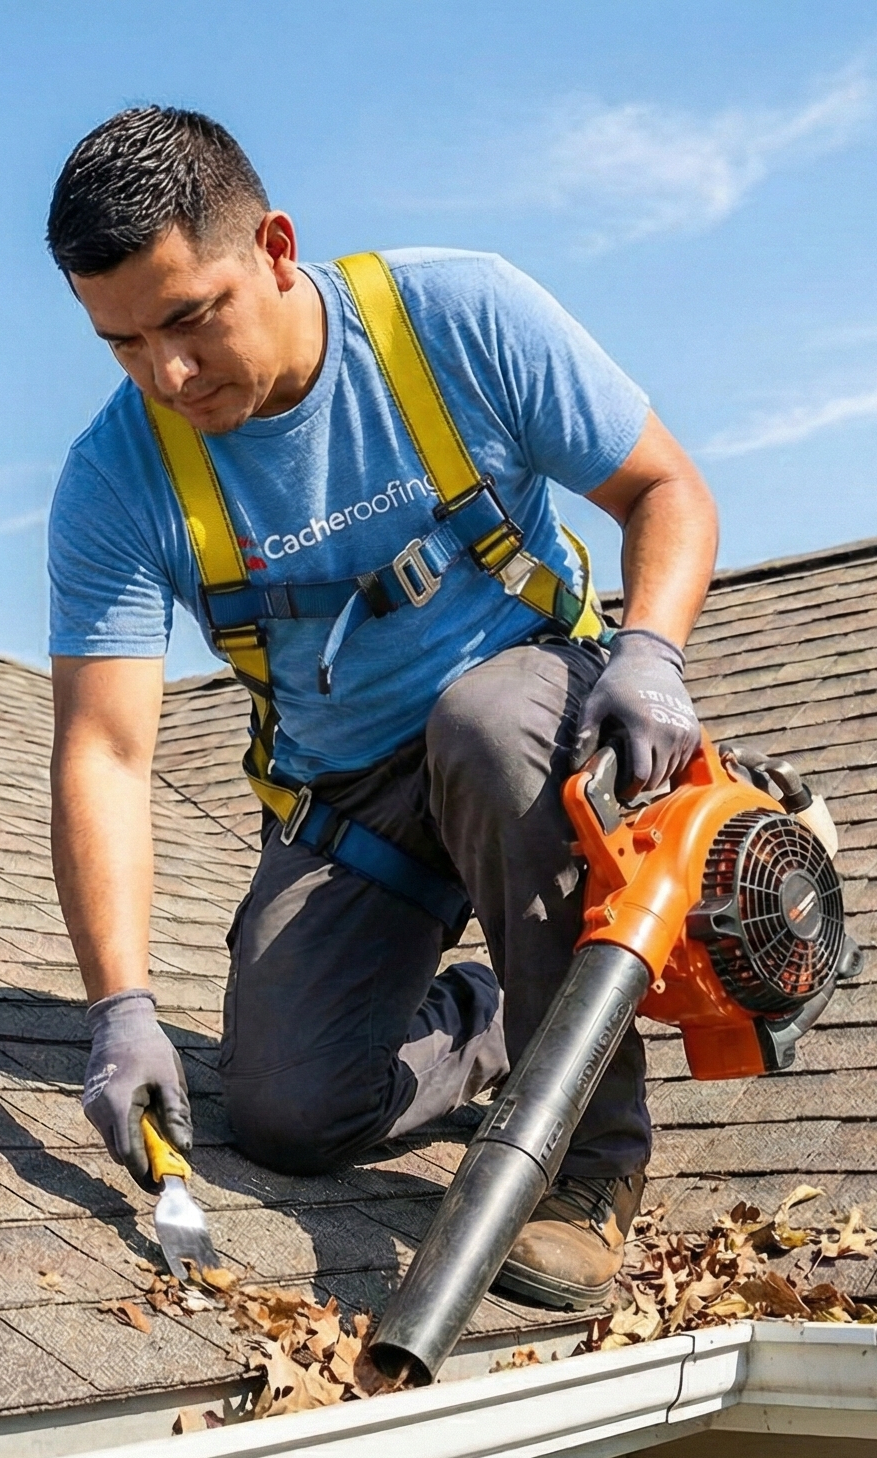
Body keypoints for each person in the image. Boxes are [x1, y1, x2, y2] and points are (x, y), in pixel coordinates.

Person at [46, 107, 720, 1310]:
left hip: (530, 726)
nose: (169, 376)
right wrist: (121, 1009)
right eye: (124, 344)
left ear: (275, 247)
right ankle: (505, 1015)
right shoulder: (117, 476)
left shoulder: (457, 317)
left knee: (485, 726)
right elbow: (104, 752)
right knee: (290, 1115)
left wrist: (650, 655)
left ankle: (589, 1170)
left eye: (190, 319)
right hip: (352, 799)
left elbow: (664, 489)